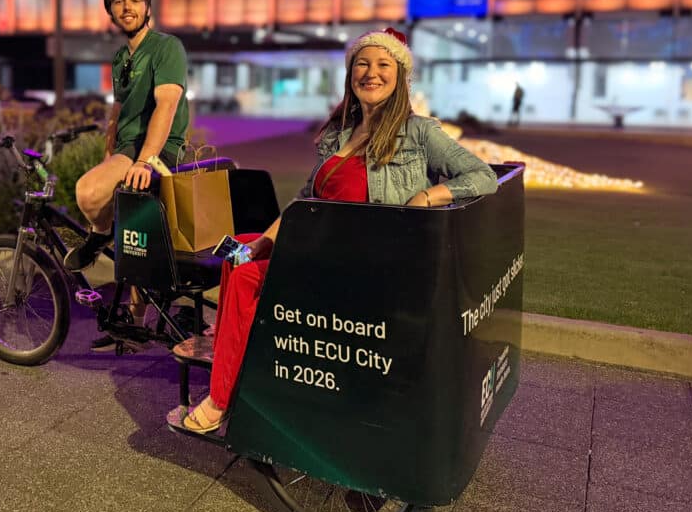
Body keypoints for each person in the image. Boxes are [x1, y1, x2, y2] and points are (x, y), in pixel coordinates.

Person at [182, 28, 498, 432]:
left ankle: (221, 397)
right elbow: (306, 198)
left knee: (246, 278)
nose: (371, 72)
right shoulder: (340, 133)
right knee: (240, 252)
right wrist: (265, 241)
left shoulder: (419, 132)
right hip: (321, 248)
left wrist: (425, 197)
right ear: (351, 75)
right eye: (362, 64)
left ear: (401, 76)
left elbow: (482, 176)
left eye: (383, 64)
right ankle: (235, 354)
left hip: (362, 264)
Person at [65, 0, 190, 349]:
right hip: (126, 151)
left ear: (147, 5)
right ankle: (135, 327)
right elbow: (117, 112)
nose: (127, 7)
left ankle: (100, 233)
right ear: (110, 10)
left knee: (88, 192)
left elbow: (167, 105)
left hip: (157, 150)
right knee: (135, 240)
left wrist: (145, 160)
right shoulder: (121, 57)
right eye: (118, 1)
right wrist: (110, 154)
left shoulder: (166, 47)